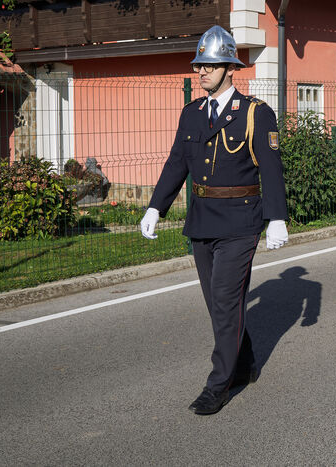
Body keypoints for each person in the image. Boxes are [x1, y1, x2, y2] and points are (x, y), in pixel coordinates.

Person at [139, 25, 288, 416]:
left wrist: (276, 217)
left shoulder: (255, 113)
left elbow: (271, 169)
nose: (202, 71)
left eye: (211, 64)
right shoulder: (192, 114)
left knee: (224, 300)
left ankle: (218, 384)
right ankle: (244, 361)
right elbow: (177, 163)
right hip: (202, 219)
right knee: (219, 304)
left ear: (230, 68)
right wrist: (156, 207)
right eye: (199, 64)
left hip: (240, 221)